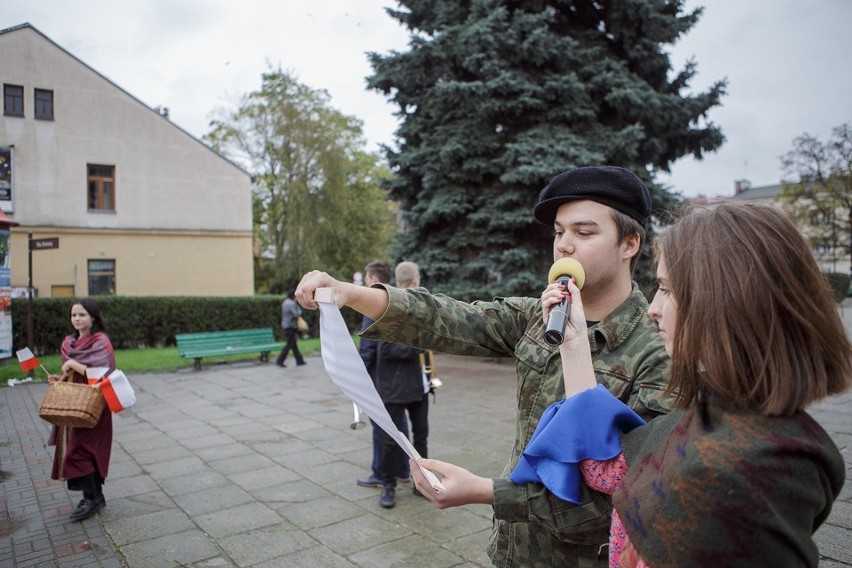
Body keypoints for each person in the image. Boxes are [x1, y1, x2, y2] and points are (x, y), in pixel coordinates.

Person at [296, 165, 676, 566]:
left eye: (584, 233)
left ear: (630, 243)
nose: (564, 245)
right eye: (559, 232)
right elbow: (448, 317)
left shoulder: (661, 351)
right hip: (512, 551)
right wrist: (346, 292)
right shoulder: (538, 316)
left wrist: (484, 491)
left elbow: (621, 496)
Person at [508, 201, 850, 566]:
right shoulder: (715, 412)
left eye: (668, 290)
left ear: (726, 301)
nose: (653, 308)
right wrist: (575, 344)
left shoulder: (748, 476)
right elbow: (608, 470)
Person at [48, 297, 116, 522]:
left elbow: (104, 372)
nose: (77, 319)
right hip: (72, 402)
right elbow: (70, 374)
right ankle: (96, 496)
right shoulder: (68, 343)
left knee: (81, 450)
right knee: (79, 448)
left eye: (82, 315)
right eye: (73, 315)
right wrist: (59, 379)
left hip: (94, 403)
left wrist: (74, 365)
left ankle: (91, 498)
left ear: (93, 317)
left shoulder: (100, 341)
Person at [374, 261, 430, 508]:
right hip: (394, 388)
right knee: (391, 441)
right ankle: (388, 486)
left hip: (416, 385)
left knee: (421, 437)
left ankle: (423, 483)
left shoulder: (419, 305)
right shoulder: (388, 306)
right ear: (415, 279)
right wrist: (419, 345)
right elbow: (385, 348)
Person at [356, 260, 411, 488]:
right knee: (400, 425)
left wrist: (358, 376)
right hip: (398, 379)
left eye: (368, 279)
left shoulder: (372, 304)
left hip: (379, 380)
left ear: (374, 280)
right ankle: (402, 469)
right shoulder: (397, 302)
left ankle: (380, 473)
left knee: (381, 429)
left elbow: (368, 348)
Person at [275, 287, 306, 368]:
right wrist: (299, 308)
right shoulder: (292, 303)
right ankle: (279, 361)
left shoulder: (285, 302)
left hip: (285, 326)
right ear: (293, 295)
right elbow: (297, 314)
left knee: (293, 345)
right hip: (290, 327)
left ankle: (300, 361)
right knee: (289, 345)